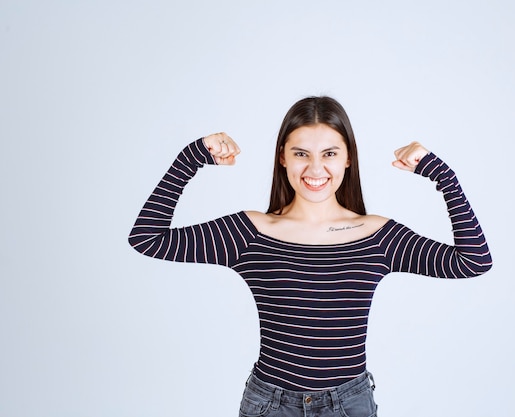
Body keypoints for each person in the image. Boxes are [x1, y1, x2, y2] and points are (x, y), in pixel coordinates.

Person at [128, 96, 492, 417]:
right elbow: (147, 238)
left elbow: (472, 261)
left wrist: (441, 174)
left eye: (329, 154)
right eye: (301, 153)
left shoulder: (376, 235)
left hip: (349, 404)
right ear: (282, 158)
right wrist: (192, 156)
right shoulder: (251, 232)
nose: (315, 170)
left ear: (348, 158)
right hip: (271, 404)